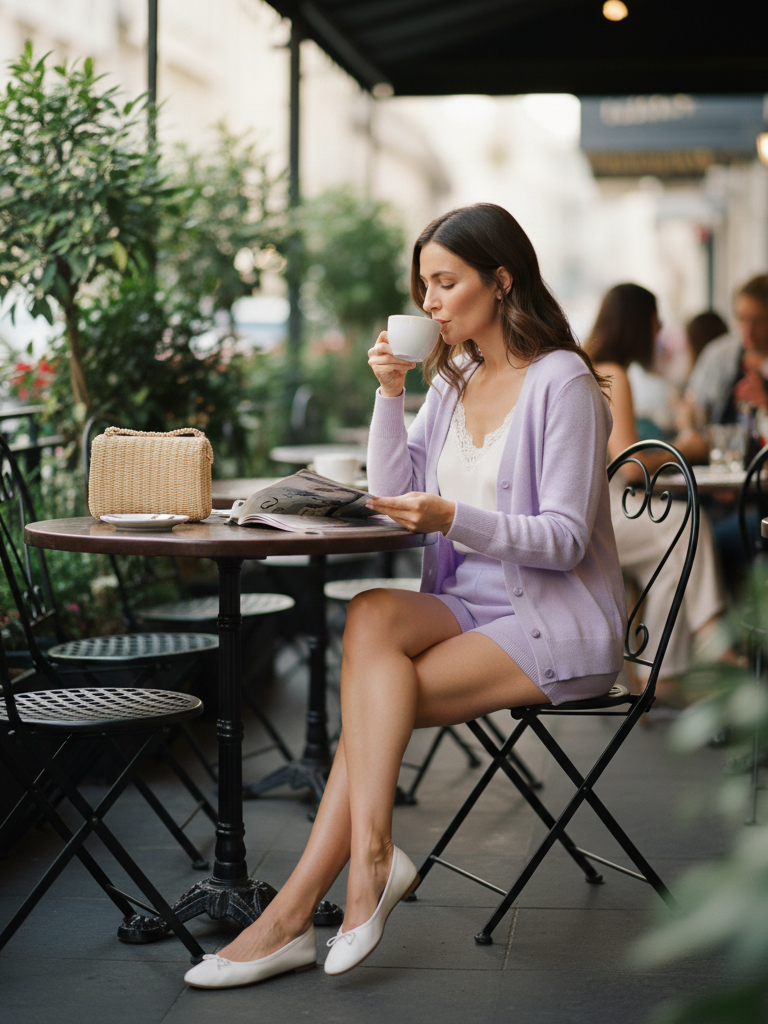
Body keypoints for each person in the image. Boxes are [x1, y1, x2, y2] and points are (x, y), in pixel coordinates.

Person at [183, 203, 627, 990]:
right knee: (371, 614)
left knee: (372, 705)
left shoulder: (562, 381)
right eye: (423, 286)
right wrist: (389, 394)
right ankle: (359, 871)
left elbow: (563, 538)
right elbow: (392, 492)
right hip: (470, 606)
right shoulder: (456, 379)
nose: (429, 302)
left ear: (501, 280)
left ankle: (302, 909)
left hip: (552, 620)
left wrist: (454, 517)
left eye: (445, 282)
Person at [588, 283, 733, 703]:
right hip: (604, 514)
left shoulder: (592, 366)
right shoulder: (613, 373)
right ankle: (709, 645)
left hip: (595, 510)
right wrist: (686, 447)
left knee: (674, 553)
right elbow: (630, 464)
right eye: (656, 321)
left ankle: (664, 672)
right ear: (639, 323)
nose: (659, 331)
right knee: (688, 524)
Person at [685, 275, 768, 424]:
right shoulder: (719, 355)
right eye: (741, 319)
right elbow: (692, 404)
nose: (748, 330)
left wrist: (765, 405)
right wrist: (690, 420)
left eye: (757, 321)